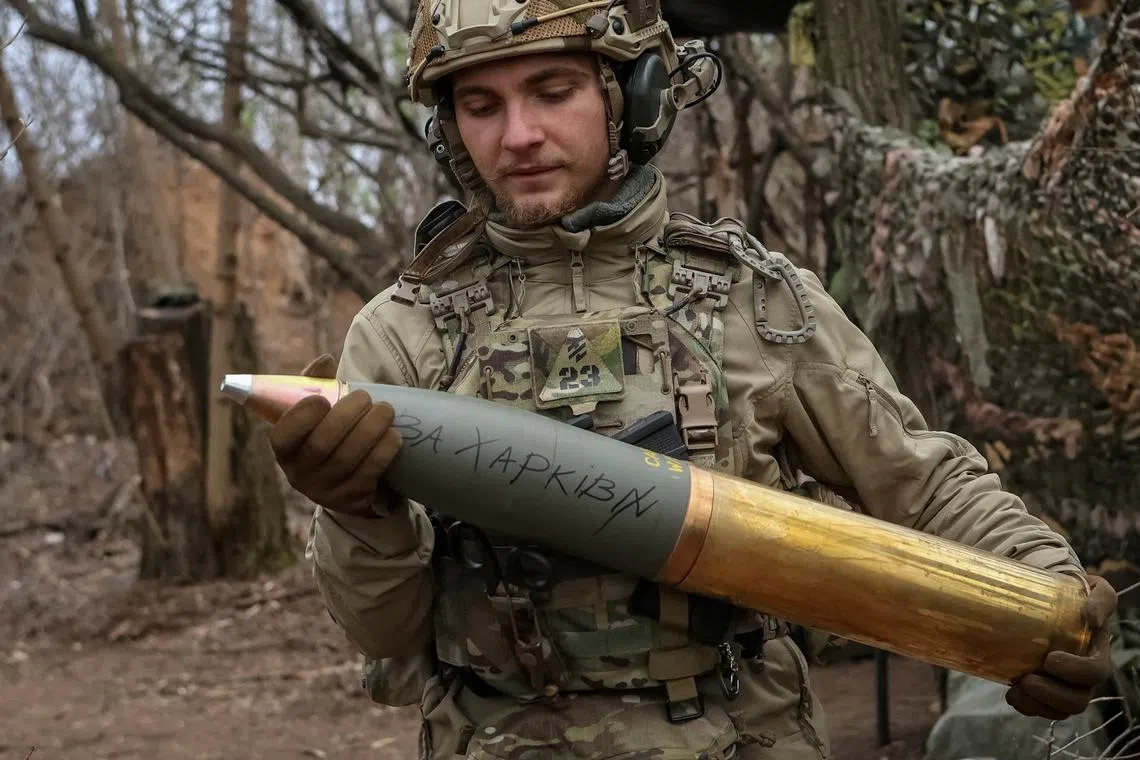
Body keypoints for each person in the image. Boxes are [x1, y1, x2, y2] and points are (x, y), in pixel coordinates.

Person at [268, 1, 1117, 757]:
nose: (517, 135)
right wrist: (358, 514)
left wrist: (1052, 595)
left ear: (630, 94)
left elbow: (919, 481)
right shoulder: (404, 333)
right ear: (451, 129)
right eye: (481, 105)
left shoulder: (754, 297)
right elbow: (383, 629)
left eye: (553, 90)